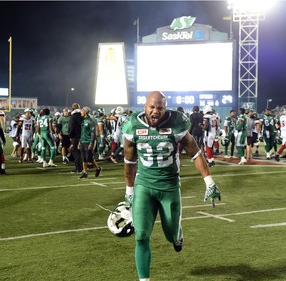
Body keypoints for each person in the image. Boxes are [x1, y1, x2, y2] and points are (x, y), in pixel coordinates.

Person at [122, 91, 221, 281]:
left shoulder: (177, 123)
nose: (155, 111)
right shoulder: (132, 125)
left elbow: (195, 153)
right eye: (152, 107)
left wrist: (209, 182)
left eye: (160, 107)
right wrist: (129, 191)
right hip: (144, 184)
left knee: (171, 235)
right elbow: (129, 162)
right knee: (141, 235)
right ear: (145, 107)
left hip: (169, 186)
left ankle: (177, 236)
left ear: (165, 108)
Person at [78, 107, 102, 179]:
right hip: (82, 141)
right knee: (83, 158)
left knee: (89, 158)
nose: (81, 112)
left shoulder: (90, 121)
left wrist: (91, 143)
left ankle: (98, 168)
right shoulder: (83, 120)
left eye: (82, 111)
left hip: (88, 141)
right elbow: (82, 133)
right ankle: (85, 172)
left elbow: (93, 133)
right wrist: (79, 141)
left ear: (86, 112)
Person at [69, 103, 83, 173]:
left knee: (76, 152)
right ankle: (84, 167)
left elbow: (72, 128)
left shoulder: (73, 117)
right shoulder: (82, 115)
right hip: (84, 136)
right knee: (81, 152)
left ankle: (78, 168)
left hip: (76, 137)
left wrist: (70, 136)